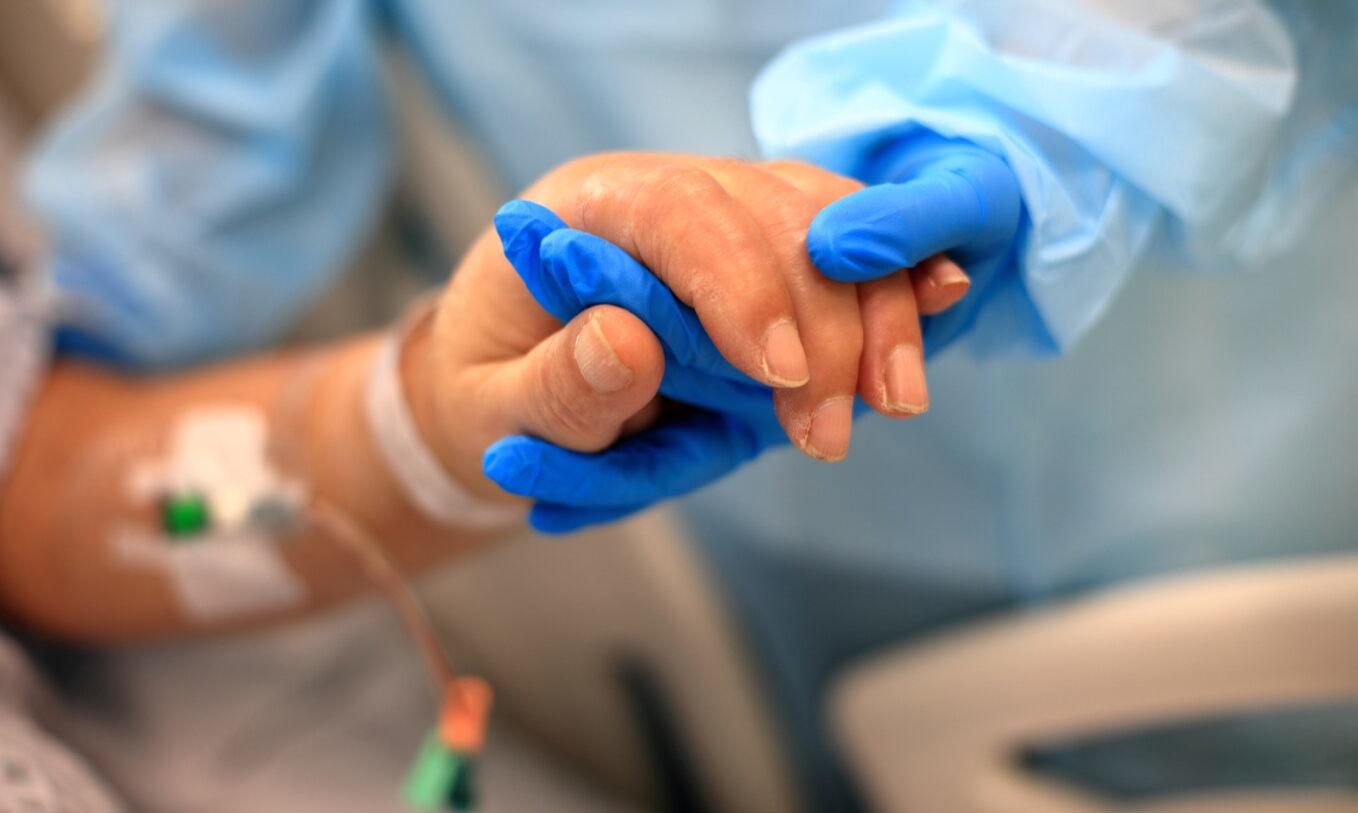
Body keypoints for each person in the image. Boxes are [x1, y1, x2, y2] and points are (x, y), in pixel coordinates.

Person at [19, 0, 1358, 810]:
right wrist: (430, 424)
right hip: (817, 610)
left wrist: (1069, 130)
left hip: (1291, 478)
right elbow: (38, 458)